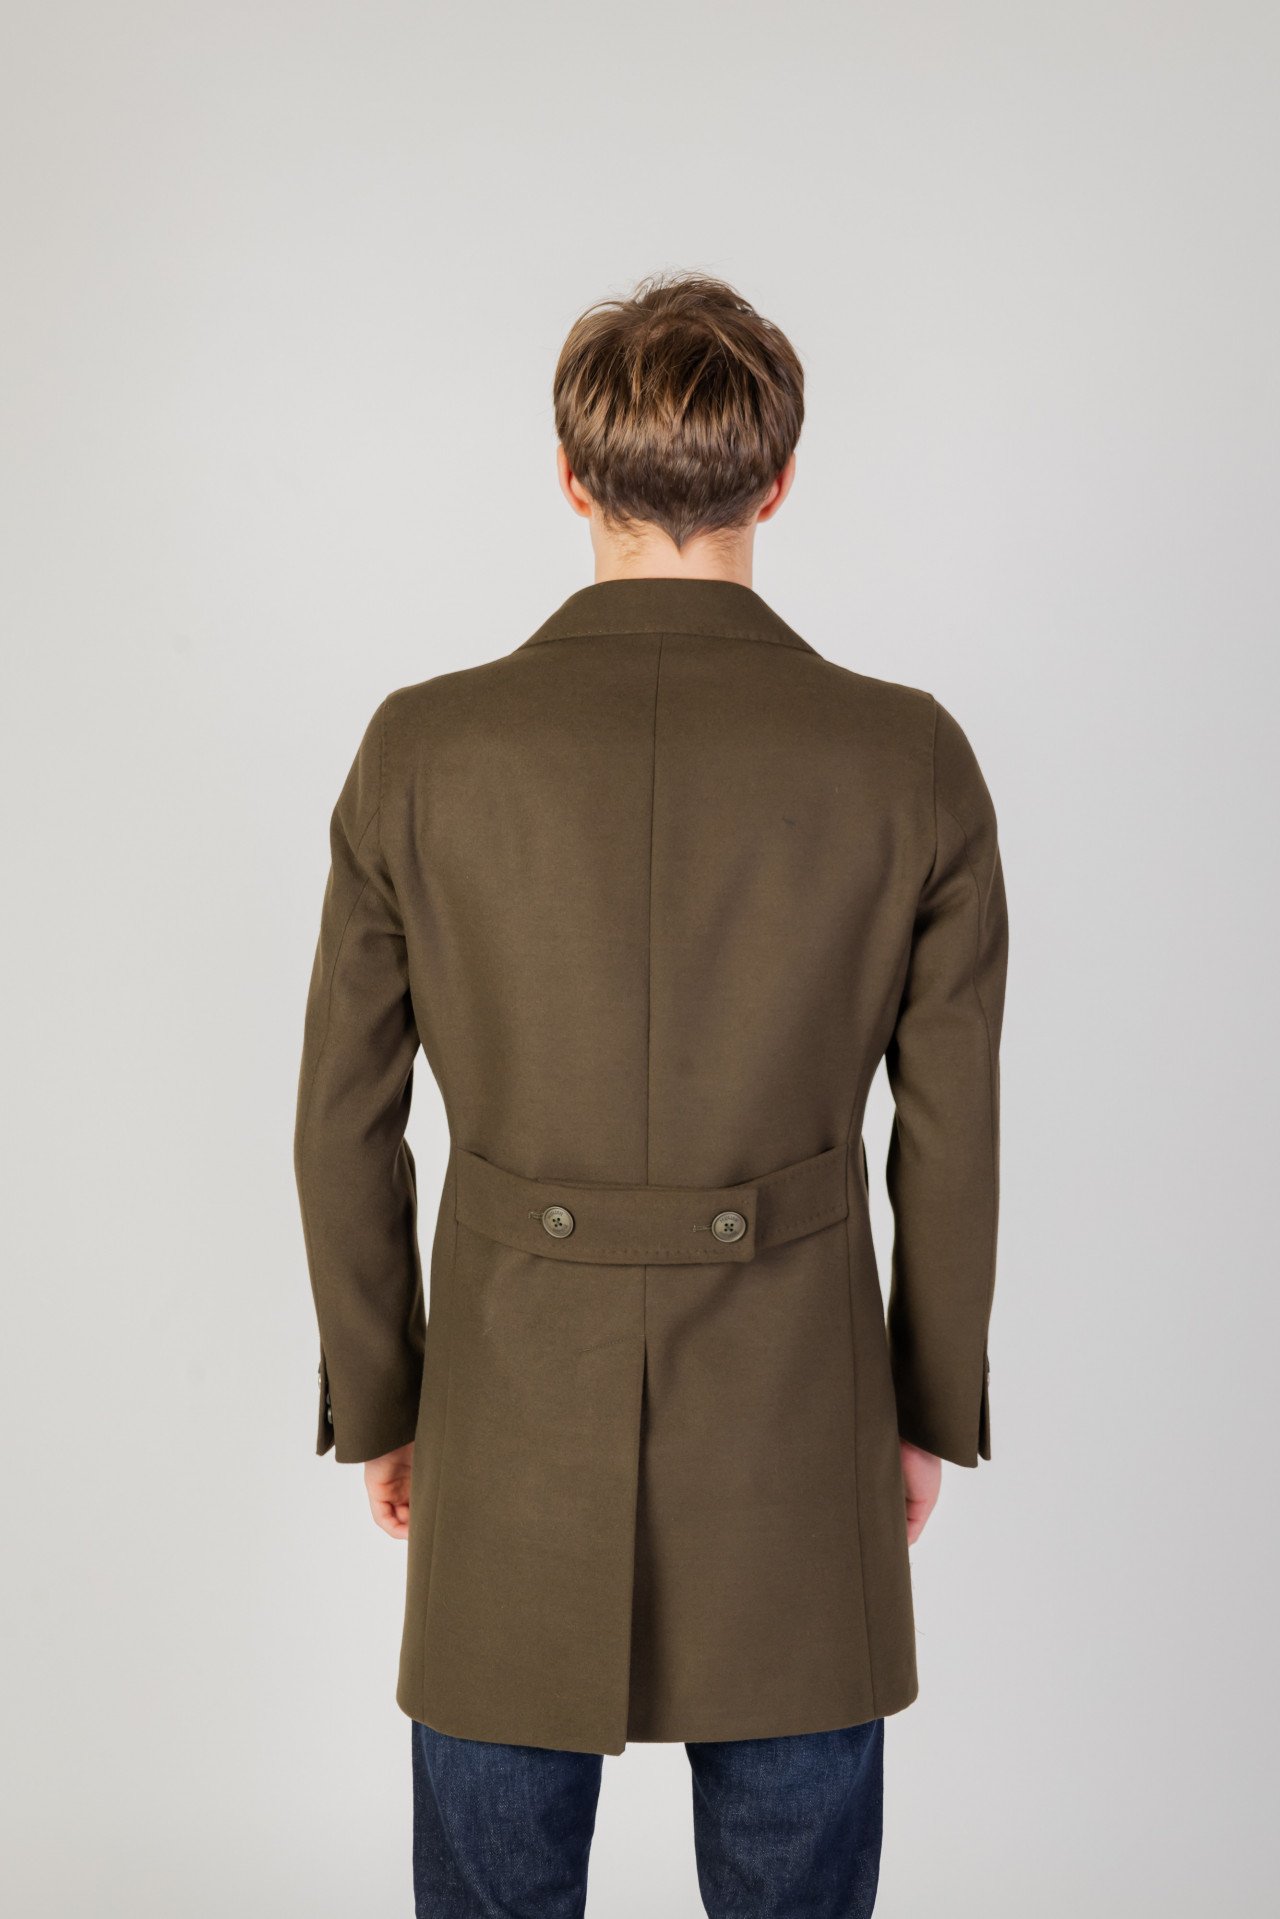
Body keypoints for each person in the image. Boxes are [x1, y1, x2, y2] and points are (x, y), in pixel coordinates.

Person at [293, 270, 1009, 1918]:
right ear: (779, 480)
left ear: (570, 477)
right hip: (796, 1419)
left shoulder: (421, 750)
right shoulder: (908, 757)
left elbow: (343, 1120)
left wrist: (385, 1399)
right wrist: (922, 1410)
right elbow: (952, 1134)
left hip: (508, 1411)